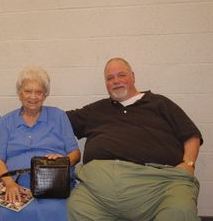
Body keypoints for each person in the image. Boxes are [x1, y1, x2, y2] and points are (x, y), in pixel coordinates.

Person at [67, 57, 203, 221]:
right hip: (99, 188)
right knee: (75, 208)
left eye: (121, 75)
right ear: (106, 84)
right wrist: (32, 104)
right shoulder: (96, 110)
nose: (116, 81)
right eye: (110, 78)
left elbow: (191, 134)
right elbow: (58, 120)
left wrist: (189, 163)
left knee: (179, 211)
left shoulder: (159, 103)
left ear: (132, 76)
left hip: (159, 183)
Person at [0, 66, 81, 221]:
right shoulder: (5, 121)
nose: (33, 96)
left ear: (45, 95)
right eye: (28, 91)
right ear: (19, 93)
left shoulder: (59, 116)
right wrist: (9, 183)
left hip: (53, 185)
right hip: (16, 184)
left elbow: (76, 153)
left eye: (38, 92)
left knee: (60, 213)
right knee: (5, 215)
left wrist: (62, 162)